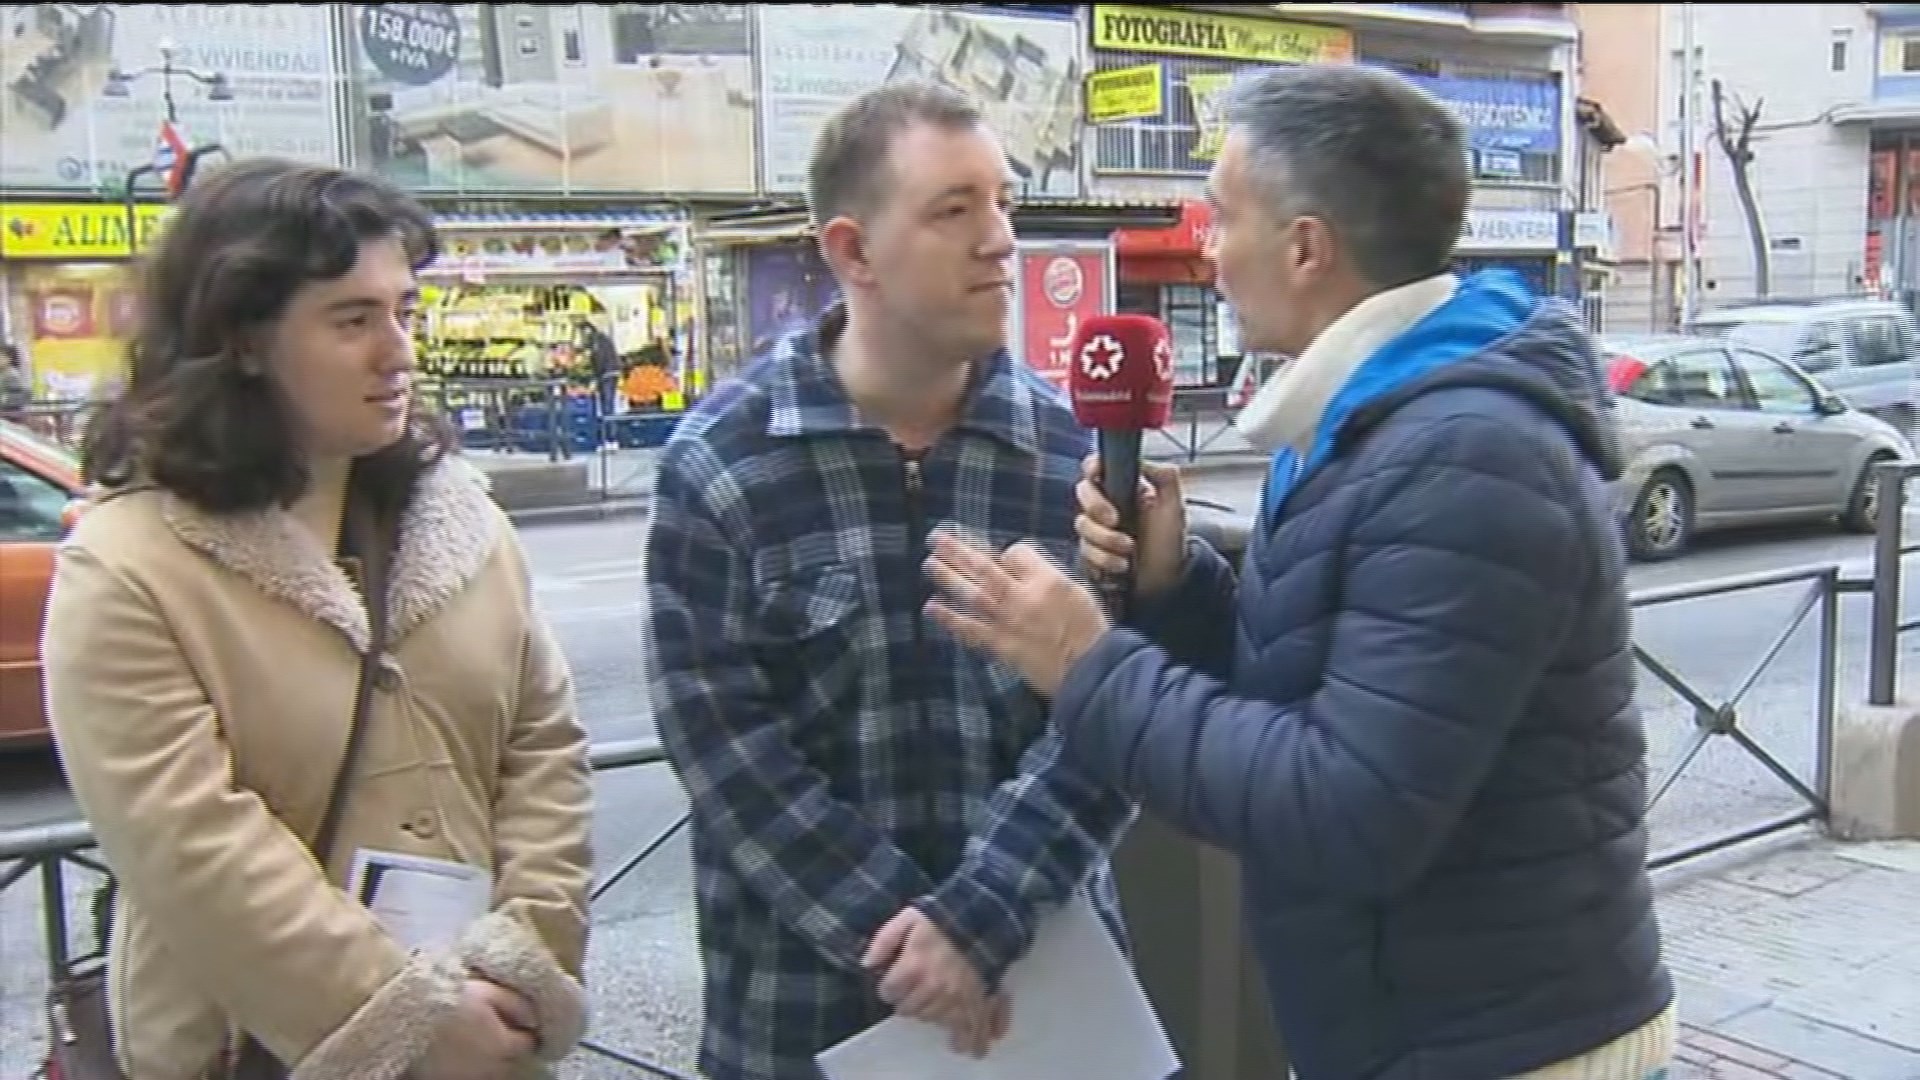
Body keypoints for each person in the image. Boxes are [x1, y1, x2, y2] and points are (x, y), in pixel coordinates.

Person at [923, 63, 1675, 1080]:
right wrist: (1175, 587)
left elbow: (1345, 810)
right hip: (1414, 1028)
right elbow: (1313, 689)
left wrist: (1088, 663)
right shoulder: (1371, 421)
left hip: (1508, 1044)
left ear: (1306, 246)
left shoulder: (1467, 455)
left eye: (1223, 217)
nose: (1205, 247)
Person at [42, 158, 594, 1080]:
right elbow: (196, 851)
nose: (399, 351)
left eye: (405, 312)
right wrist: (407, 1021)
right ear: (246, 340)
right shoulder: (129, 566)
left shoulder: (467, 528)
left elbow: (544, 750)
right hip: (252, 1054)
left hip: (486, 1036)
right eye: (352, 320)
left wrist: (521, 966)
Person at [644, 79, 1134, 1080]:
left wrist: (981, 917)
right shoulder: (722, 462)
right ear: (852, 251)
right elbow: (724, 750)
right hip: (803, 1019)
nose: (1000, 239)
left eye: (1003, 201)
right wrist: (912, 946)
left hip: (1052, 1007)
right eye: (954, 211)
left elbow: (1113, 716)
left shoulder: (1070, 452)